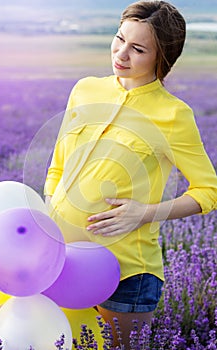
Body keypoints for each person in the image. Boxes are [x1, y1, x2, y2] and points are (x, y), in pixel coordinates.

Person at [44, 1, 217, 348]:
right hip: (63, 262)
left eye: (138, 49)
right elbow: (59, 164)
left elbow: (209, 191)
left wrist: (145, 213)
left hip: (127, 271)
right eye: (119, 39)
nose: (121, 54)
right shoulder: (85, 89)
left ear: (162, 58)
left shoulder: (174, 115)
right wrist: (52, 217)